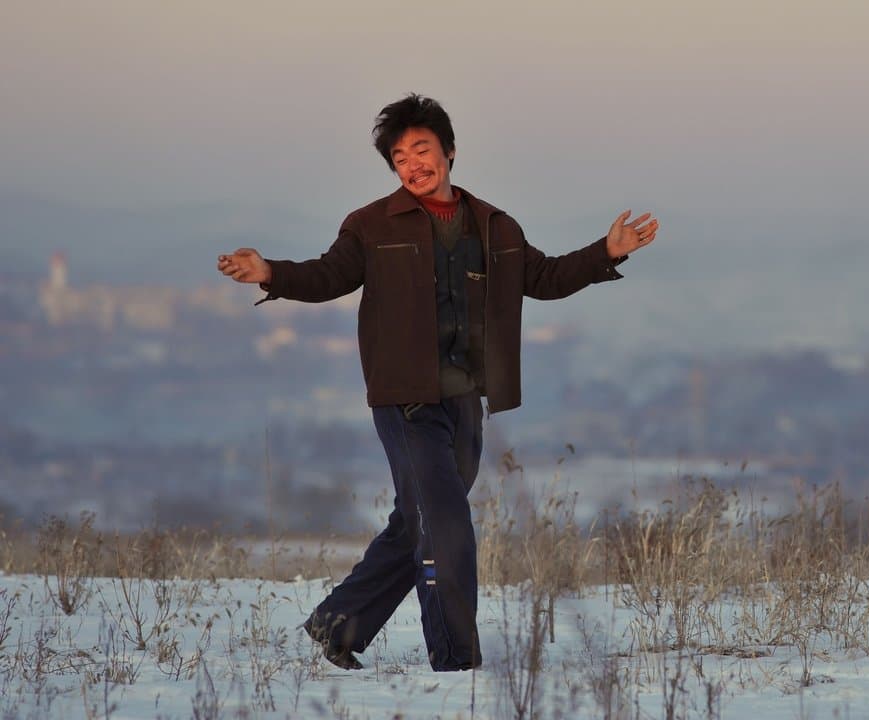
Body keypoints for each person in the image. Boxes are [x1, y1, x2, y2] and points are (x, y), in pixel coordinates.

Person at [216, 94, 658, 672]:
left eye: (421, 150)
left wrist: (607, 252)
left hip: (466, 400)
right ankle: (455, 660)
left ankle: (336, 623)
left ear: (449, 151)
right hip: (404, 400)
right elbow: (328, 276)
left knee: (419, 519)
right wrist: (270, 272)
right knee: (445, 524)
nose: (412, 164)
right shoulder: (371, 225)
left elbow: (545, 278)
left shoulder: (494, 225)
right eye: (400, 158)